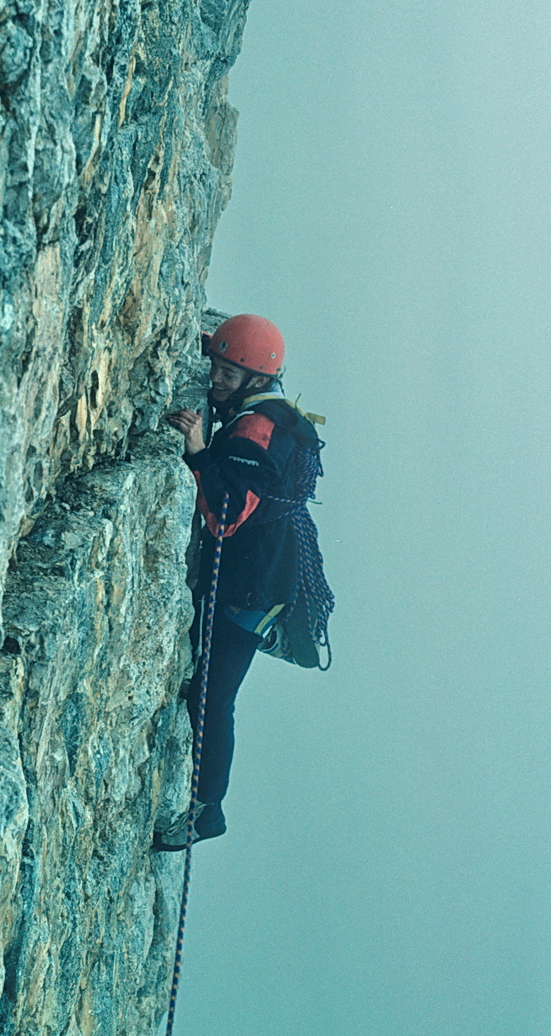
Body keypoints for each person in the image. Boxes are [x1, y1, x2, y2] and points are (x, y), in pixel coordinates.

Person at [153, 314, 327, 851]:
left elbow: (225, 515)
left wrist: (200, 451)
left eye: (228, 375)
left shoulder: (256, 431)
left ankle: (208, 812)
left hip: (250, 590)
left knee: (212, 695)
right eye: (216, 368)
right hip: (266, 574)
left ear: (255, 381)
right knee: (209, 687)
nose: (215, 381)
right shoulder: (267, 408)